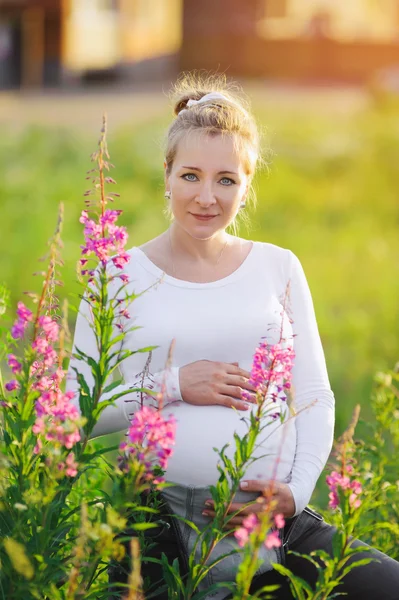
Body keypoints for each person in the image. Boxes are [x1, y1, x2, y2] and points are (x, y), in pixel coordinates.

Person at [67, 73, 399, 599]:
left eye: (226, 180)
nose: (206, 196)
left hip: (274, 527)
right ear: (167, 175)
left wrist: (293, 492)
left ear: (246, 186)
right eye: (191, 175)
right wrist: (174, 384)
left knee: (386, 586)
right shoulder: (115, 277)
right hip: (158, 529)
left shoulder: (278, 266)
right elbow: (73, 413)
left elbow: (314, 398)